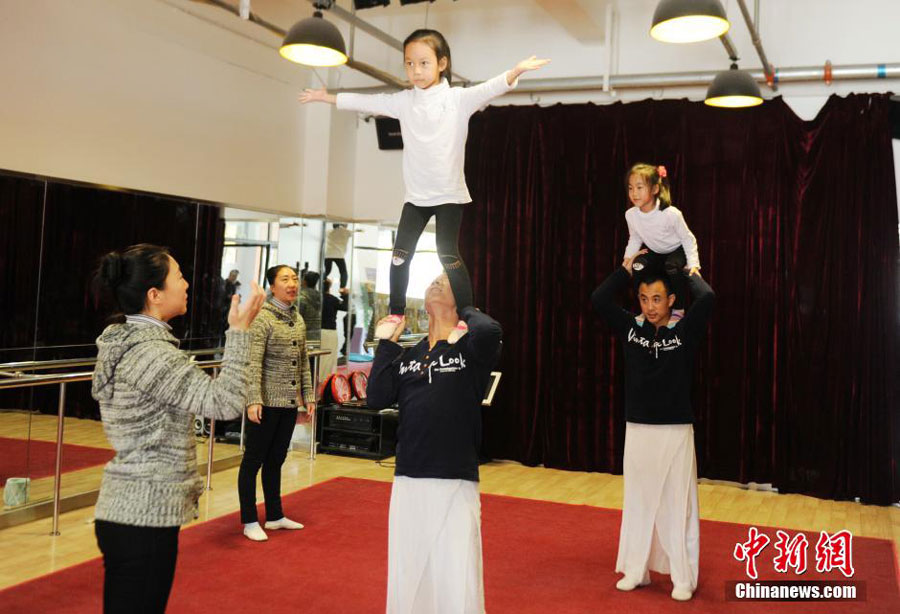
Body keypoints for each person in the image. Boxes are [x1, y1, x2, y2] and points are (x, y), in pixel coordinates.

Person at [300, 29, 549, 342]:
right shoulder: (405, 102)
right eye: (409, 64)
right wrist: (329, 97)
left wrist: (515, 71)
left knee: (447, 253)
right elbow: (371, 100)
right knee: (400, 255)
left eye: (423, 63)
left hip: (449, 195)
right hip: (416, 197)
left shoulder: (457, 99)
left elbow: (490, 89)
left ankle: (466, 314)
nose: (415, 71)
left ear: (442, 63)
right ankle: (396, 311)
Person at [92, 244, 265, 613]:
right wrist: (238, 333)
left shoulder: (130, 343)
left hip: (128, 510)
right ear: (154, 295)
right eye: (179, 277)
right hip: (143, 514)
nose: (186, 285)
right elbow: (225, 403)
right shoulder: (151, 353)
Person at [367, 273, 502, 614]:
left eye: (446, 280)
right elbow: (377, 396)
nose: (435, 283)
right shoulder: (410, 354)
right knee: (409, 568)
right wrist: (386, 344)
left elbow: (490, 330)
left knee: (456, 571)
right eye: (432, 280)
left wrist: (465, 309)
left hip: (454, 475)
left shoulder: (470, 348)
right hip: (409, 475)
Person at [591, 250, 715, 601]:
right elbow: (599, 299)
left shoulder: (685, 330)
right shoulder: (632, 329)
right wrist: (624, 271)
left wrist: (690, 271)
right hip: (639, 428)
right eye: (644, 299)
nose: (650, 306)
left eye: (657, 298)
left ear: (671, 299)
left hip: (675, 429)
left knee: (677, 505)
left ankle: (681, 576)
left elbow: (708, 297)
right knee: (640, 501)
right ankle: (636, 569)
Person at [238, 265, 317, 542]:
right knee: (253, 462)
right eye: (285, 279)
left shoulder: (297, 318)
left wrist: (309, 397)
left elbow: (304, 363)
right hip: (265, 402)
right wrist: (253, 400)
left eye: (295, 279)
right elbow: (253, 362)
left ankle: (274, 516)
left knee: (276, 460)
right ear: (272, 287)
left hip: (288, 403)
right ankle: (249, 520)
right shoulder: (263, 319)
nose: (292, 283)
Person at [622, 163, 700, 317]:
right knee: (637, 266)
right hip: (656, 251)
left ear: (655, 189)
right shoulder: (630, 214)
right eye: (630, 188)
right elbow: (635, 237)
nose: (634, 193)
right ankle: (645, 309)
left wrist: (693, 264)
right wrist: (628, 258)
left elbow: (688, 239)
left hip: (677, 250)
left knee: (671, 265)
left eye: (639, 187)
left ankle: (678, 309)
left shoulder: (671, 214)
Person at [320, 277, 349, 379]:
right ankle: (325, 381)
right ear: (330, 286)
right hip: (329, 331)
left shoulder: (316, 298)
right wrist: (345, 294)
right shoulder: (332, 299)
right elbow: (346, 306)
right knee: (328, 357)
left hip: (316, 331)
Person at [323, 223, 353, 289]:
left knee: (327, 271)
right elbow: (354, 232)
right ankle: (342, 288)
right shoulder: (347, 232)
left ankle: (321, 281)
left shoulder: (329, 232)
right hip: (339, 255)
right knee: (343, 272)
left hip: (328, 254)